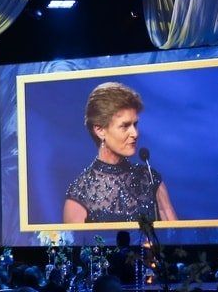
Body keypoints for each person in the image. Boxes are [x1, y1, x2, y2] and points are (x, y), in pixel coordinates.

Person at [62, 82, 177, 224]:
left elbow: (175, 237)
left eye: (135, 124)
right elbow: (76, 245)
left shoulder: (150, 179)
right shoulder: (81, 193)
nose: (135, 133)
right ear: (100, 130)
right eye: (125, 126)